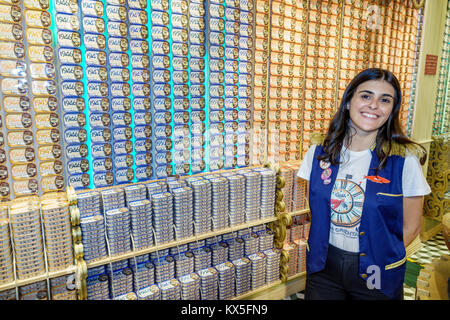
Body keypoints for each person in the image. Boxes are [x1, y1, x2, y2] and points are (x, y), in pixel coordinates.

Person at [297, 68, 431, 300]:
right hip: (324, 267)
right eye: (366, 96)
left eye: (385, 100)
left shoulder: (403, 160)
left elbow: (412, 227)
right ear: (349, 101)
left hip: (375, 271)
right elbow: (317, 209)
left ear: (391, 110)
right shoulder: (319, 153)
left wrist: (381, 257)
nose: (374, 105)